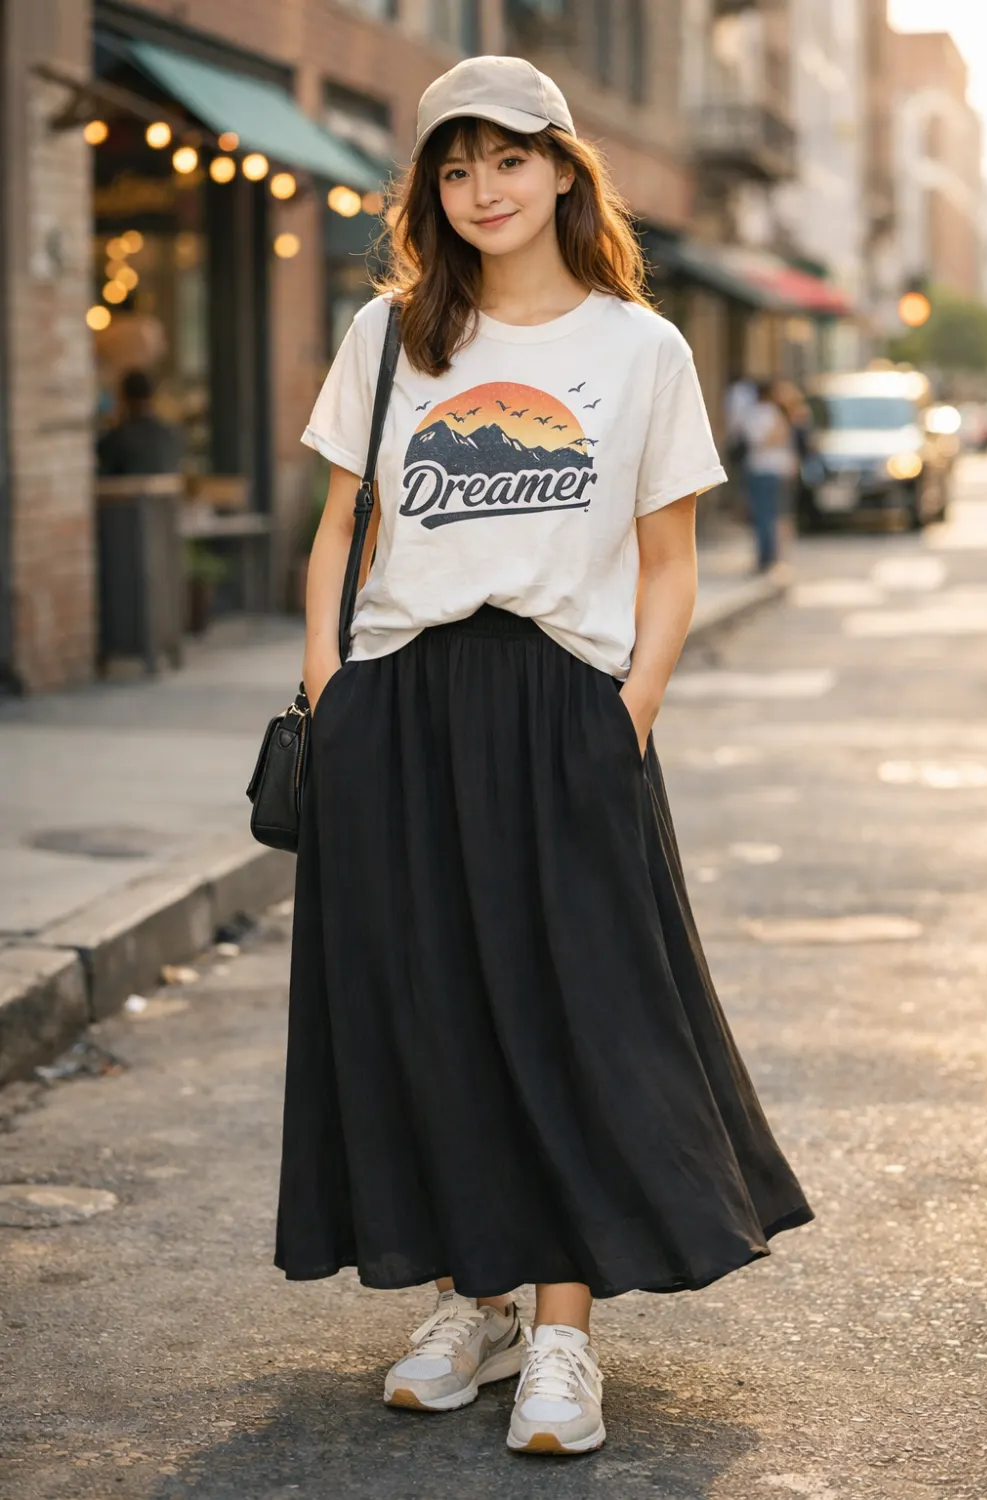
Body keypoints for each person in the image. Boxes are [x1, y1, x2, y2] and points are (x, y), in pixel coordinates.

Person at [278, 55, 813, 1457]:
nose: (483, 190)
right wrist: (334, 689)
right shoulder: (389, 335)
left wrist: (626, 710)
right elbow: (339, 528)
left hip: (562, 701)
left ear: (565, 169)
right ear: (429, 190)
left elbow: (670, 561)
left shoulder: (641, 350)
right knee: (432, 1010)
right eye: (455, 169)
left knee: (574, 1013)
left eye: (508, 159)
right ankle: (475, 1304)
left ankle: (564, 1331)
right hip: (402, 700)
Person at [742, 380, 797, 573]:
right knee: (770, 515)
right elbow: (771, 439)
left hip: (766, 469)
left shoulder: (758, 414)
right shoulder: (769, 413)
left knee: (767, 515)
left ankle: (768, 558)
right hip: (769, 470)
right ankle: (770, 557)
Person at [96, 369, 183, 477]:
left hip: (123, 488)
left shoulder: (115, 439)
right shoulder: (171, 437)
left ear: (123, 399)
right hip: (166, 489)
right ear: (153, 397)